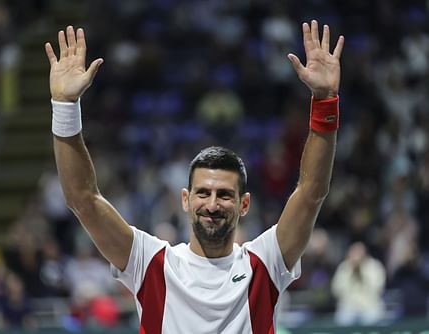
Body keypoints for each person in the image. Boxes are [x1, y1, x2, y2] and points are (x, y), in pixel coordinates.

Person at [44, 19, 344, 333]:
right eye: (203, 192)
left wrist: (324, 101)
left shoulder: (264, 262)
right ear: (185, 199)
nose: (212, 204)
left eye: (224, 194)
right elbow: (83, 200)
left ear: (244, 204)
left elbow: (311, 193)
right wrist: (65, 105)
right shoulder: (151, 263)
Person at [331, 242, 386, 326]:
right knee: (342, 319)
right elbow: (336, 290)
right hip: (348, 308)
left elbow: (377, 288)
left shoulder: (374, 266)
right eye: (353, 253)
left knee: (372, 318)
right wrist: (351, 271)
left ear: (365, 254)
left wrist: (361, 270)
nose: (356, 256)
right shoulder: (344, 267)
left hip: (370, 308)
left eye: (358, 253)